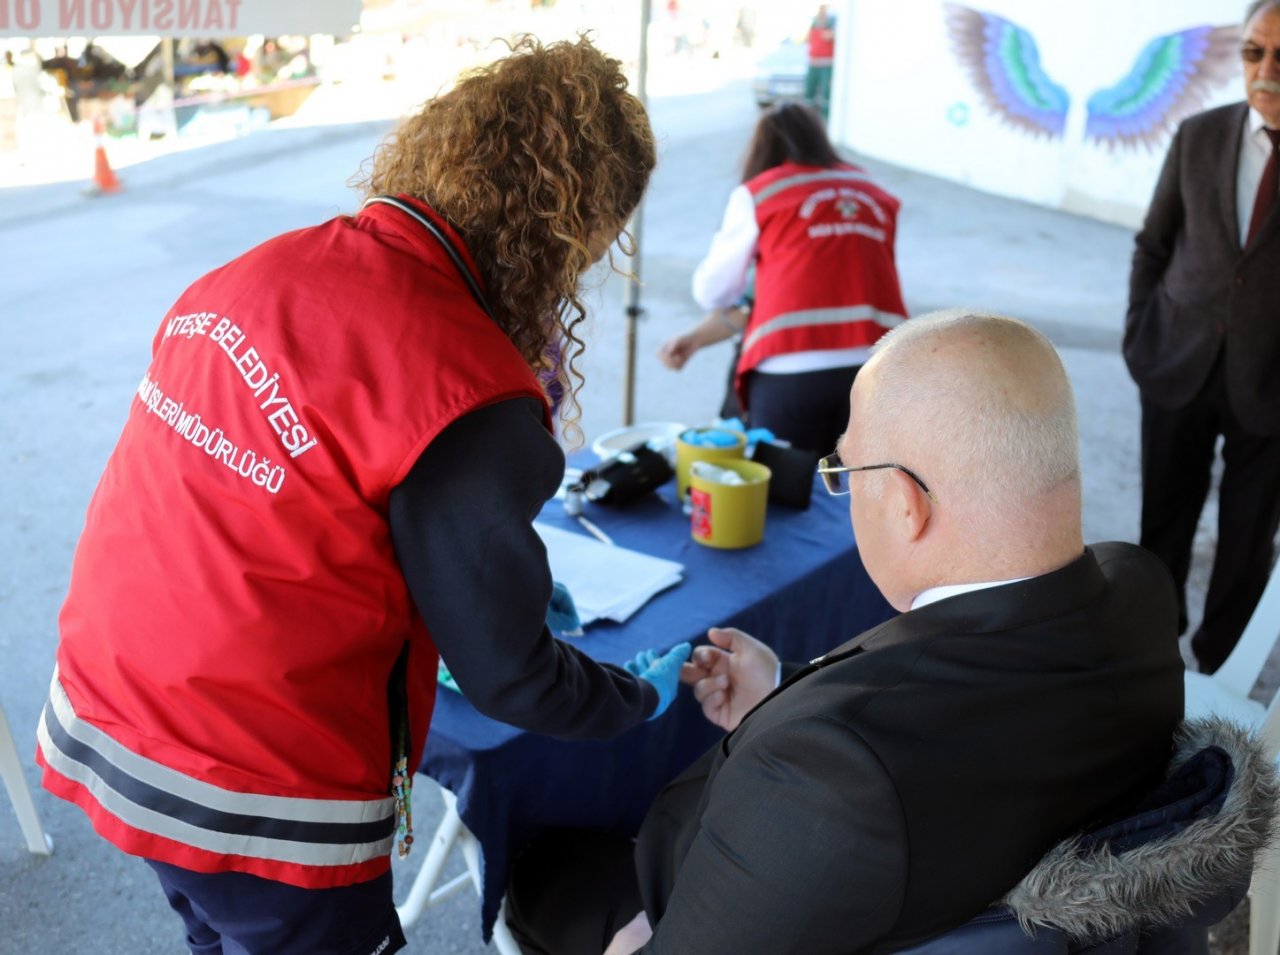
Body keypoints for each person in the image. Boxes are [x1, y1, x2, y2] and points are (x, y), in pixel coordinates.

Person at [36, 36, 690, 955]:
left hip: (104, 709)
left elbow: (276, 502)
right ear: (562, 227)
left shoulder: (262, 269)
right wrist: (638, 700)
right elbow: (511, 676)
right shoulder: (463, 381)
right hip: (245, 786)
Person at [507, 311, 1185, 954]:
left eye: (845, 472)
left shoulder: (825, 777)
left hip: (689, 887)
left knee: (539, 860)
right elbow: (958, 707)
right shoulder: (1141, 590)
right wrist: (785, 690)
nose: (846, 492)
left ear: (905, 503)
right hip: (929, 863)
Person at [1124, 0, 1280, 675]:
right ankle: (1148, 656)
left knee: (1247, 542)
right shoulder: (1198, 135)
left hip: (1272, 384)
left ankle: (1220, 675)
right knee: (1164, 524)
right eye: (1254, 52)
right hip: (1176, 360)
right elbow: (1153, 243)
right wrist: (1140, 331)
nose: (1266, 70)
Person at [657, 101, 908, 454]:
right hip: (879, 367)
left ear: (763, 149)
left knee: (786, 493)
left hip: (790, 369)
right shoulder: (874, 191)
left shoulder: (761, 193)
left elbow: (712, 292)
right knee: (861, 489)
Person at [805, 4, 837, 119]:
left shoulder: (832, 24)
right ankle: (808, 117)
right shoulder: (813, 24)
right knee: (809, 93)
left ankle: (825, 118)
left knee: (826, 93)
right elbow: (808, 39)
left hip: (826, 65)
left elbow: (828, 36)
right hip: (813, 63)